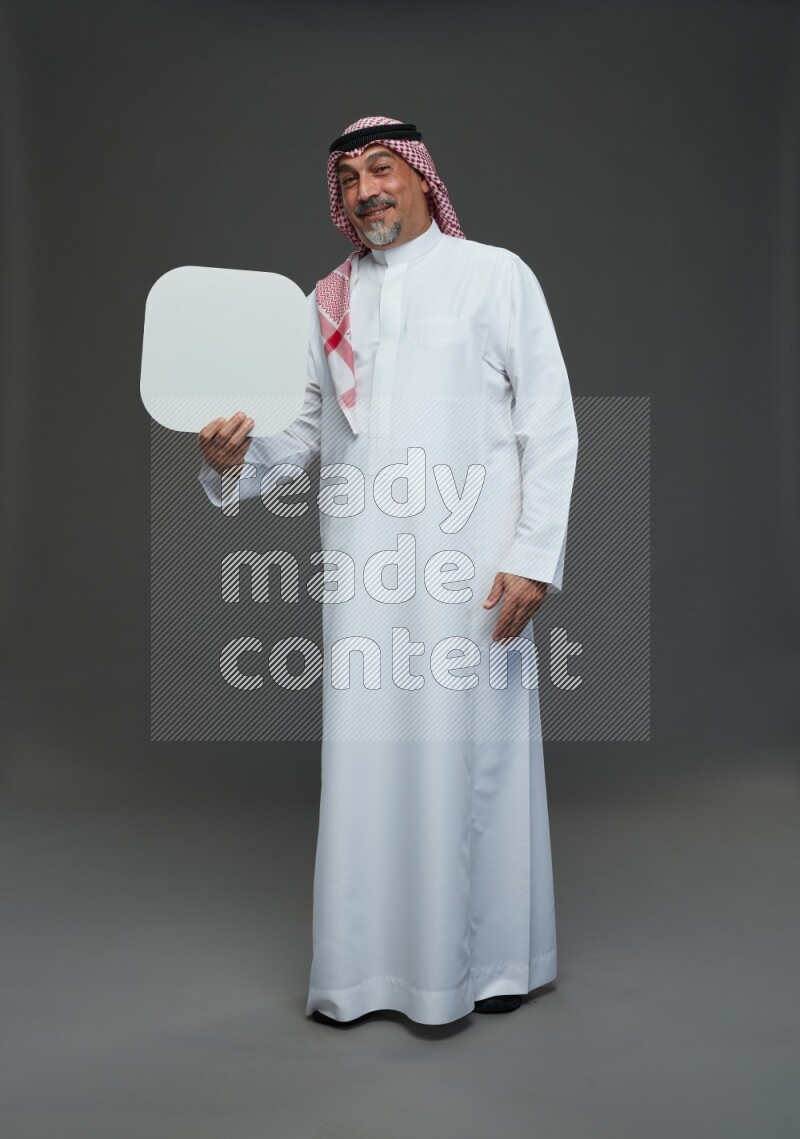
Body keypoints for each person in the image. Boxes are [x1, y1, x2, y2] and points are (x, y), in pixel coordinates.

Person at [197, 116, 579, 1027]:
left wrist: (533, 558)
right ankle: (370, 975)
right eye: (349, 180)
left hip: (476, 575)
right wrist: (226, 463)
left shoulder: (495, 274)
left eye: (382, 170)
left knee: (474, 759)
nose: (367, 190)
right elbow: (294, 440)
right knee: (372, 763)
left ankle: (488, 966)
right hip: (365, 574)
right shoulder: (325, 302)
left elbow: (551, 424)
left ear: (419, 178)